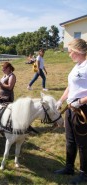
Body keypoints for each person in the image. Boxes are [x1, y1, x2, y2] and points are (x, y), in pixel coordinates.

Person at [54, 38, 87, 185]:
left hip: (82, 110)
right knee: (70, 140)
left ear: (77, 51)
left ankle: (84, 174)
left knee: (83, 142)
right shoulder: (77, 66)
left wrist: (80, 101)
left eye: (70, 52)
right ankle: (69, 167)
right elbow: (70, 87)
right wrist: (61, 100)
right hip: (71, 108)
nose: (69, 55)